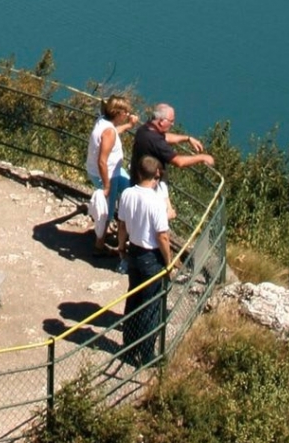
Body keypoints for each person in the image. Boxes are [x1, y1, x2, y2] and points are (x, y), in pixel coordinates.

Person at [117, 153, 170, 366]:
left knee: (133, 301)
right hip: (152, 256)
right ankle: (147, 355)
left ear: (138, 173)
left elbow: (121, 225)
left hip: (134, 252)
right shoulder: (156, 201)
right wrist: (169, 262)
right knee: (151, 307)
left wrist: (121, 248)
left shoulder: (127, 194)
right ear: (156, 174)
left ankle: (129, 349)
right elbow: (162, 236)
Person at [85, 97, 136, 255]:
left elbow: (113, 132)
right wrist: (107, 185)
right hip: (107, 174)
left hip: (112, 170)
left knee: (130, 189)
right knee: (108, 208)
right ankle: (99, 245)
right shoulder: (108, 131)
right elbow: (102, 161)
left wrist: (129, 125)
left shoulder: (104, 122)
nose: (128, 114)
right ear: (118, 113)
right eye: (125, 112)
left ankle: (125, 229)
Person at [130, 103, 215, 179]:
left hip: (138, 176)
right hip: (151, 183)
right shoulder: (156, 141)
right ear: (162, 122)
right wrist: (202, 157)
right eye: (171, 121)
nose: (173, 124)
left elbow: (165, 137)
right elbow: (179, 161)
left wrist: (187, 138)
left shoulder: (145, 129)